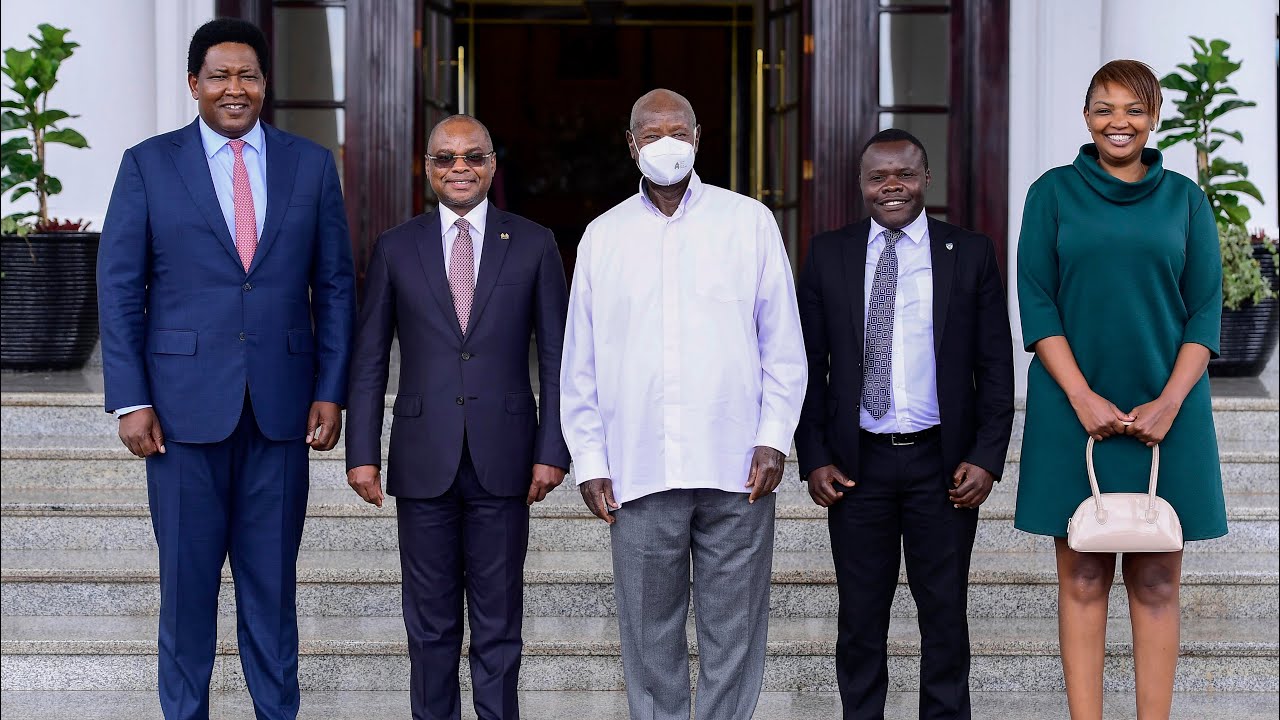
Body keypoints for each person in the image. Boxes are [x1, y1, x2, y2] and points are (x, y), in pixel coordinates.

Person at [96, 18, 354, 720]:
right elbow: (118, 289)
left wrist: (331, 389)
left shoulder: (309, 165)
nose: (234, 89)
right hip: (179, 416)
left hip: (281, 413)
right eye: (219, 76)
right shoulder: (149, 164)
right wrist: (130, 400)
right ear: (194, 85)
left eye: (248, 76)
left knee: (272, 593)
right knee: (185, 594)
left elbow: (334, 285)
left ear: (265, 86)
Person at [559, 88, 807, 720]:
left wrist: (775, 438)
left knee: (735, 638)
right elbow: (578, 362)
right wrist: (589, 460)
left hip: (737, 470)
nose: (665, 142)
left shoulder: (748, 222)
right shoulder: (602, 236)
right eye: (651, 132)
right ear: (631, 143)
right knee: (649, 642)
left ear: (698, 137)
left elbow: (783, 344)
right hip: (639, 471)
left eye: (677, 130)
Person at [1015, 59, 1226, 719]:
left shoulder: (1186, 200)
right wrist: (1080, 396)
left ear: (1154, 117)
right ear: (1085, 117)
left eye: (1134, 109)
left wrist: (1169, 402)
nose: (1118, 122)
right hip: (1069, 404)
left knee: (1159, 579)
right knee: (1081, 576)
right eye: (1104, 108)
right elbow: (1038, 300)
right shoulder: (1051, 193)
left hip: (1171, 407)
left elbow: (1206, 310)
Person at [344, 114, 571, 720]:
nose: (460, 168)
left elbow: (557, 357)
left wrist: (554, 449)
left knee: (499, 626)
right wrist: (362, 452)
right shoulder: (396, 246)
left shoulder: (534, 242)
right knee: (429, 626)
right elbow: (369, 359)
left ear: (493, 165)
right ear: (428, 169)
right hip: (422, 461)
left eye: (473, 157)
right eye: (446, 159)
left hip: (507, 458)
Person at [794, 129, 1014, 720]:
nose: (892, 186)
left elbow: (995, 365)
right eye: (878, 177)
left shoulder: (969, 252)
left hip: (941, 465)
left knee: (944, 616)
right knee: (860, 619)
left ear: (926, 179)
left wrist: (988, 456)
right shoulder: (829, 253)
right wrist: (813, 454)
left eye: (905, 174)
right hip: (856, 467)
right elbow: (808, 366)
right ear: (862, 184)